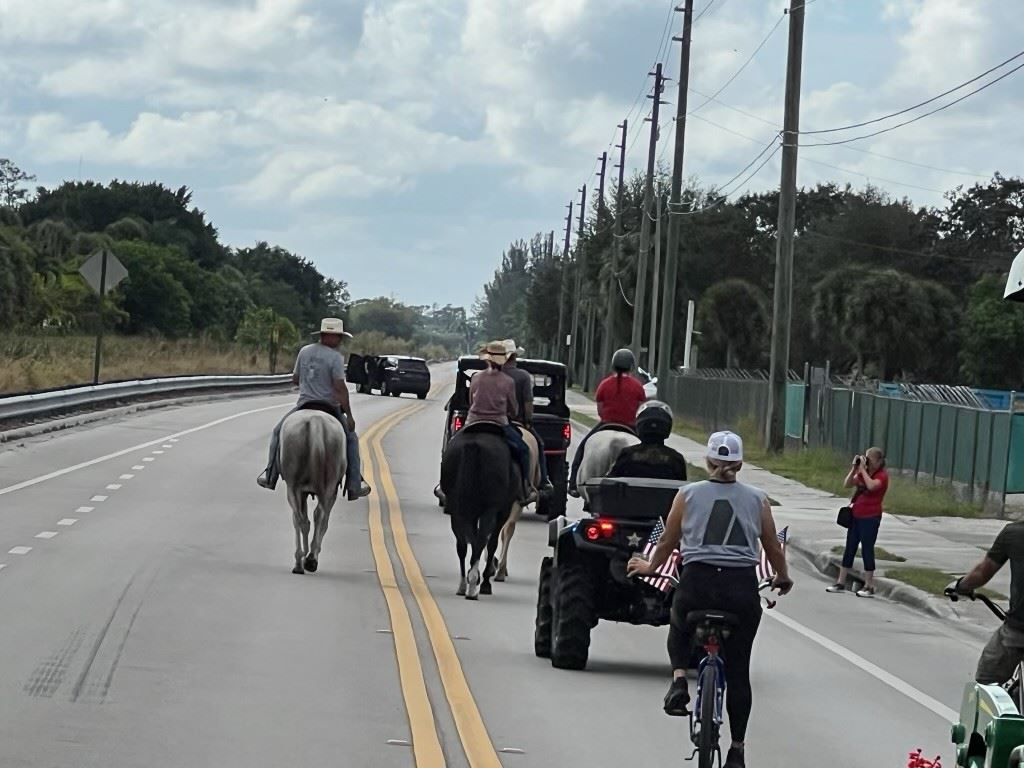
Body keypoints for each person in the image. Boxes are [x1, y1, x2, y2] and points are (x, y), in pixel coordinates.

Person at [627, 431, 793, 768]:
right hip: (739, 588)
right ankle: (738, 749)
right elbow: (772, 547)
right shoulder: (758, 499)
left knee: (678, 624)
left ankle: (677, 682)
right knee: (738, 669)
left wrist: (649, 565)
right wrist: (783, 575)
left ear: (706, 462)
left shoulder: (687, 495)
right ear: (741, 464)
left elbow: (669, 541)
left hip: (697, 583)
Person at [257, 318, 371, 501]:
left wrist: (310, 383)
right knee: (351, 439)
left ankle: (270, 475)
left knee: (278, 432)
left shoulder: (304, 351)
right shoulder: (335, 358)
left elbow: (295, 379)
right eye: (338, 337)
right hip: (330, 408)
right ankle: (355, 483)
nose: (339, 341)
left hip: (304, 404)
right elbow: (340, 387)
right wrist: (348, 414)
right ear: (330, 336)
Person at [949, 521, 1024, 686]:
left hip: (1018, 630)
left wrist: (960, 586)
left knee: (987, 680)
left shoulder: (1014, 533)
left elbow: (982, 572)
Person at [568, 348, 648, 495]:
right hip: (630, 426)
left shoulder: (604, 384)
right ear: (631, 366)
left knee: (582, 448)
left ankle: (573, 484)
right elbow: (640, 409)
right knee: (647, 451)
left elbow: (600, 409)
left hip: (606, 423)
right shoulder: (637, 386)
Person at [463, 340, 534, 504]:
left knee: (453, 443)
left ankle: (443, 486)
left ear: (487, 359)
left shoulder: (476, 378)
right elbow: (513, 408)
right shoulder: (508, 382)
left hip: (473, 421)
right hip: (499, 424)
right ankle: (525, 487)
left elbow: (470, 401)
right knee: (523, 450)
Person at [826, 447, 889, 598]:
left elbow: (872, 486)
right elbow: (847, 484)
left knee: (867, 549)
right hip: (856, 516)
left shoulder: (882, 476)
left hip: (871, 517)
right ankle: (840, 581)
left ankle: (869, 585)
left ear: (879, 461)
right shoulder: (862, 473)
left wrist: (863, 471)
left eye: (870, 459)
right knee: (850, 548)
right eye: (866, 458)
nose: (867, 461)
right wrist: (854, 469)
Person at [501, 339, 553, 493]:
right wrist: (528, 420)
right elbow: (528, 402)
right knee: (539, 444)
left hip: (482, 419)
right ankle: (542, 480)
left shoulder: (486, 375)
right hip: (512, 421)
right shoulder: (523, 376)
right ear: (514, 357)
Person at [607, 400, 688, 481]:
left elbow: (610, 483)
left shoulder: (626, 455)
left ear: (639, 426)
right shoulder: (676, 459)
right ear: (667, 428)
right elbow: (683, 489)